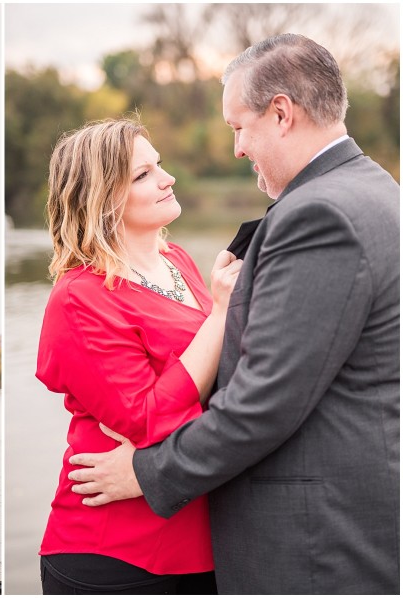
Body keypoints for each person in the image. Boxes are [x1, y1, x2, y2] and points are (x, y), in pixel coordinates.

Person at [67, 34, 400, 594]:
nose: (238, 148)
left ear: (281, 114)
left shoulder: (320, 214)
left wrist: (146, 473)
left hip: (313, 548)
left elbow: (264, 402)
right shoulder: (376, 189)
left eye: (238, 127)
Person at [34, 116, 243, 594]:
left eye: (159, 165)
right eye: (142, 175)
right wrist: (220, 316)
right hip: (117, 555)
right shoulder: (79, 297)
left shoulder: (180, 262)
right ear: (104, 198)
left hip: (202, 542)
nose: (167, 179)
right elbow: (146, 420)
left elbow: (220, 380)